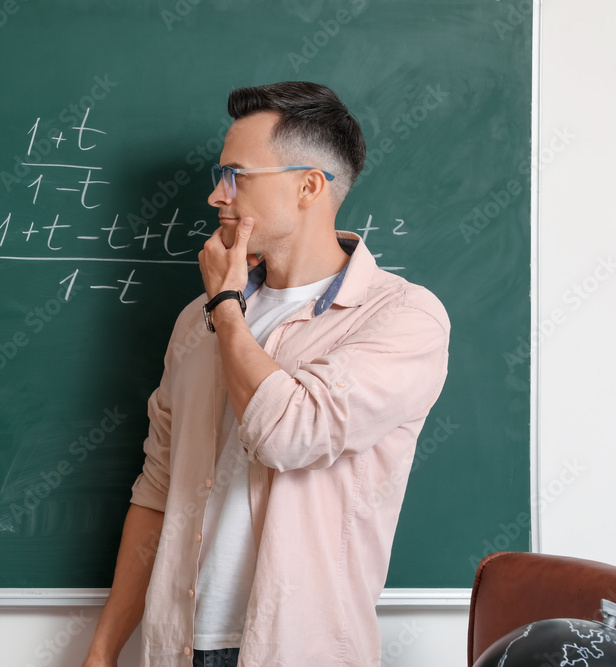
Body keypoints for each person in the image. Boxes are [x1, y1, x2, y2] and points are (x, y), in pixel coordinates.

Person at [82, 81, 450, 667]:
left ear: (309, 186)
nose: (214, 196)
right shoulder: (195, 320)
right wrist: (101, 651)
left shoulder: (402, 317)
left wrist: (227, 308)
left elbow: (287, 435)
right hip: (173, 645)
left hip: (296, 651)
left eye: (236, 175)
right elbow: (157, 488)